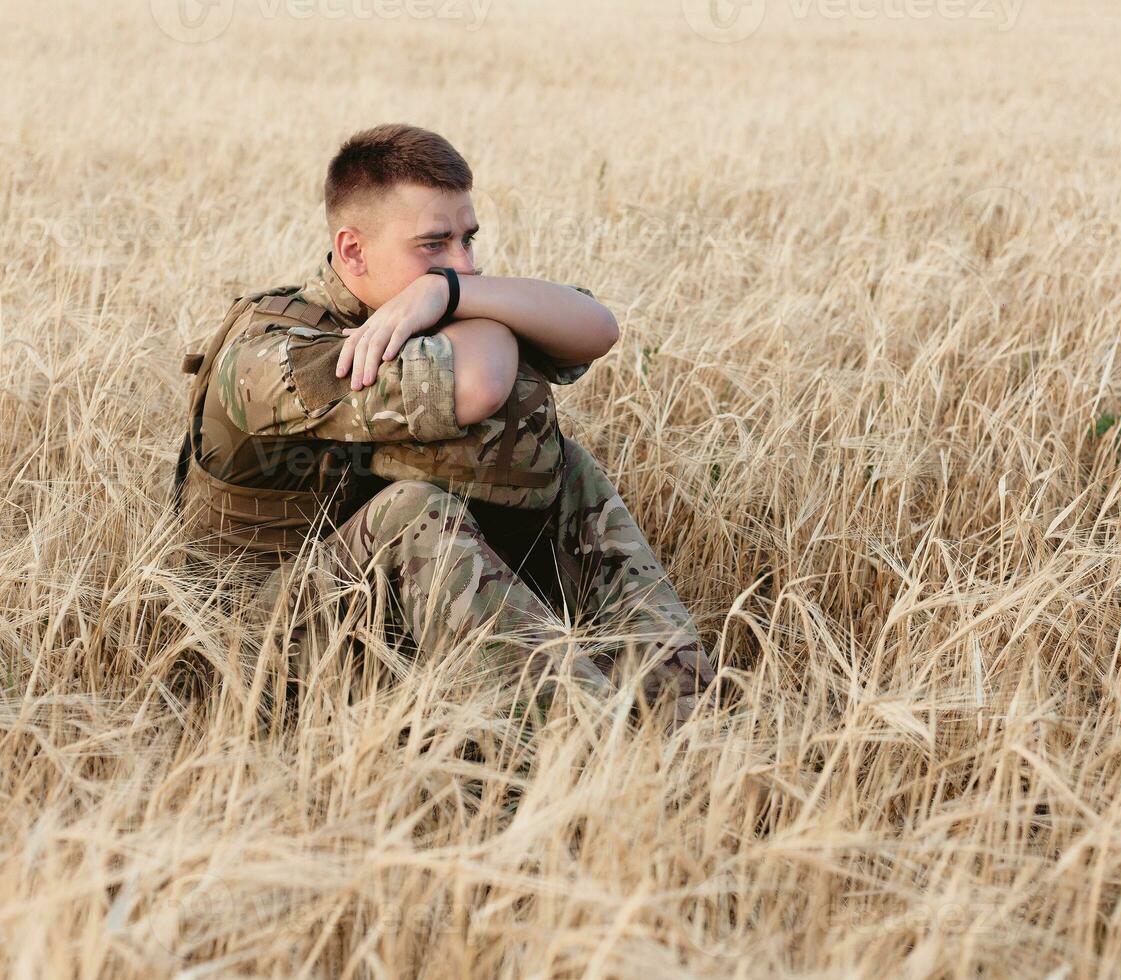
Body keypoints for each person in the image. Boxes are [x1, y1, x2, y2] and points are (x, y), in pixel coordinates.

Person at [173, 123, 718, 726]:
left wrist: (445, 292)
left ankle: (680, 709)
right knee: (411, 510)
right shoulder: (276, 351)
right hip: (261, 647)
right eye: (434, 245)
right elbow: (476, 385)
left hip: (385, 614)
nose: (463, 264)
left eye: (469, 239)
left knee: (567, 465)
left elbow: (597, 326)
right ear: (352, 249)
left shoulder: (435, 303)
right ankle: (591, 745)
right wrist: (458, 301)